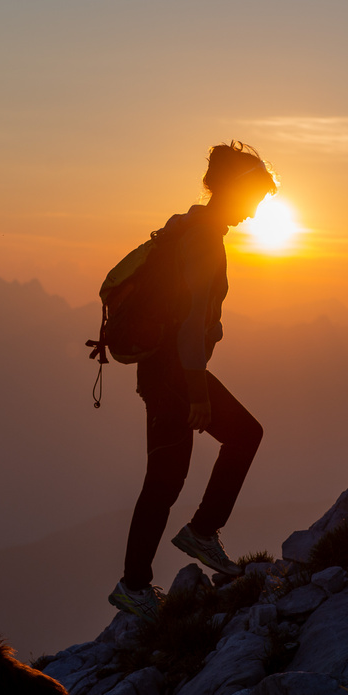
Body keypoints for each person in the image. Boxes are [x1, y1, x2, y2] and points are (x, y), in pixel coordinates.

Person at [108, 141, 278, 622]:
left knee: (163, 480)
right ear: (234, 191)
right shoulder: (203, 238)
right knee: (245, 435)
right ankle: (200, 534)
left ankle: (134, 585)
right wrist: (199, 394)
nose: (256, 210)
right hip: (176, 373)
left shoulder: (186, 224)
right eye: (256, 199)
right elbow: (186, 327)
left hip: (160, 370)